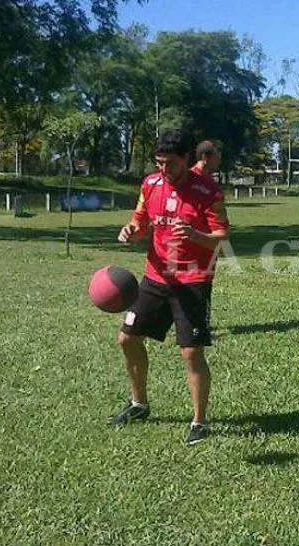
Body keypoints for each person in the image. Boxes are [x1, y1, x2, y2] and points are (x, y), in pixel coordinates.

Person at [112, 129, 230, 446]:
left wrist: (194, 235)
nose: (165, 170)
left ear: (188, 158)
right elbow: (140, 225)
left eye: (172, 164)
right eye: (159, 163)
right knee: (127, 338)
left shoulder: (208, 191)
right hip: (156, 277)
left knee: (191, 352)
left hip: (193, 281)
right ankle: (139, 404)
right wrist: (130, 232)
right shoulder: (150, 185)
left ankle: (200, 422)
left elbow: (221, 238)